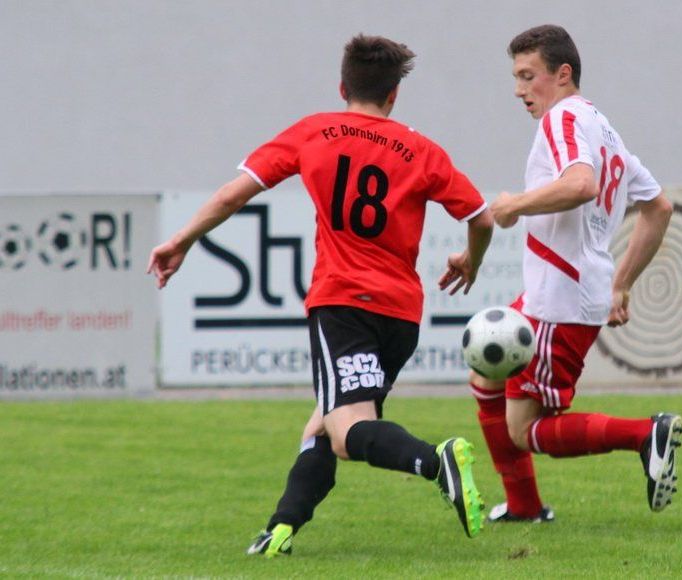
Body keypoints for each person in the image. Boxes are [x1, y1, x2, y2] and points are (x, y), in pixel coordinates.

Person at [147, 34, 494, 555]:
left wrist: (183, 239)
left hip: (342, 304)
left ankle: (434, 459)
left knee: (348, 429)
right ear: (394, 95)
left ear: (342, 85)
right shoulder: (422, 150)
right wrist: (472, 259)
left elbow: (231, 194)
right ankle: (281, 529)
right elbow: (481, 217)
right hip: (401, 315)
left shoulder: (315, 133)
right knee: (325, 424)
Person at [470, 24, 682, 524]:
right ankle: (523, 505)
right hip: (563, 290)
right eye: (516, 78)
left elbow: (581, 184)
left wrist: (513, 206)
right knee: (485, 373)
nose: (520, 90)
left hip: (558, 298)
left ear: (562, 74)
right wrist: (622, 284)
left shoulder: (562, 118)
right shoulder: (603, 128)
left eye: (529, 76)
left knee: (527, 430)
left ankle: (643, 435)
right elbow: (660, 207)